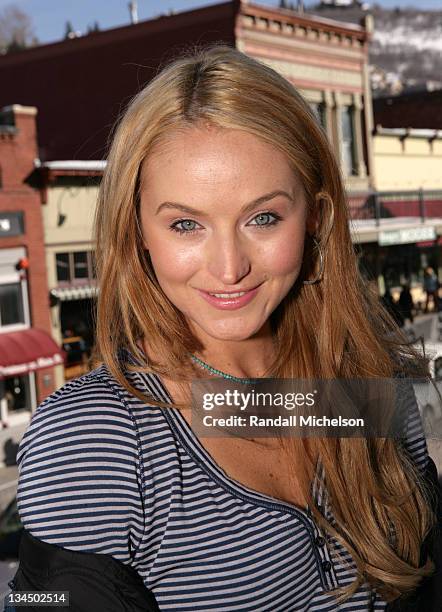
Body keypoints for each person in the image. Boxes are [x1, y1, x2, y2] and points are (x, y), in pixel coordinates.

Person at [12, 46, 441, 611]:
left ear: (314, 216)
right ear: (138, 230)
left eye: (262, 217)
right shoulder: (95, 439)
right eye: (185, 224)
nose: (229, 266)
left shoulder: (363, 382)